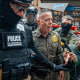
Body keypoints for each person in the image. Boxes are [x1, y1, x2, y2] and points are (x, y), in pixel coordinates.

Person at [0, 0, 68, 80]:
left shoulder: (25, 30)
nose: (21, 14)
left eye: (24, 9)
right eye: (18, 7)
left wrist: (53, 66)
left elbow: (35, 51)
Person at [32, 10, 65, 80]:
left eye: (51, 19)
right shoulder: (31, 37)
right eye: (47, 20)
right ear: (38, 22)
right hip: (37, 76)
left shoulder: (55, 35)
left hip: (53, 75)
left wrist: (62, 69)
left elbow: (59, 54)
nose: (50, 22)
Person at [55, 15, 77, 80]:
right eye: (64, 23)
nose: (65, 25)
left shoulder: (73, 35)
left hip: (65, 64)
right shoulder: (55, 32)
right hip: (54, 63)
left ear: (71, 25)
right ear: (61, 23)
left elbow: (70, 49)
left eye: (68, 24)